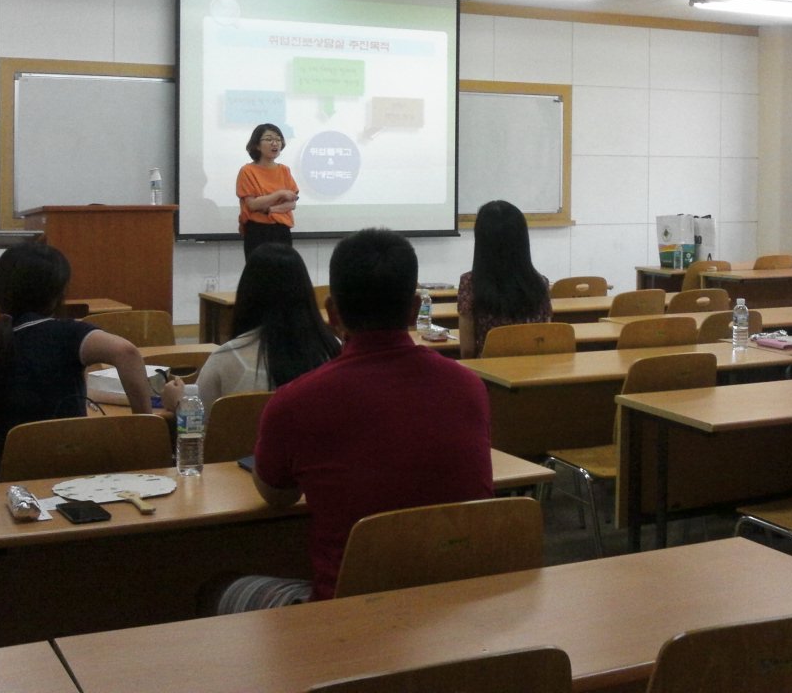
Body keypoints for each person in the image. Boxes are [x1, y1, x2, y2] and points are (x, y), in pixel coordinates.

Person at [217, 227, 493, 611]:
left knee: (218, 587)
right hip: (459, 607)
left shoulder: (296, 401)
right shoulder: (469, 387)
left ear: (332, 313)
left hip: (348, 613)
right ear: (414, 308)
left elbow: (277, 496)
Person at [0, 242, 152, 478]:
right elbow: (127, 353)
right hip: (74, 477)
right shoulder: (71, 335)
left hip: (8, 482)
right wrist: (145, 423)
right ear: (58, 295)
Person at [160, 243, 340, 411]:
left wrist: (178, 403)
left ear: (248, 294)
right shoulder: (333, 351)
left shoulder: (225, 359)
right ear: (305, 293)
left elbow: (200, 424)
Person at [457, 199, 552, 358]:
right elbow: (545, 336)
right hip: (534, 370)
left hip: (488, 372)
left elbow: (467, 350)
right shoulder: (540, 283)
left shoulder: (470, 284)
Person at [237, 122, 298, 258]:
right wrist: (280, 194)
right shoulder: (247, 171)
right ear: (257, 145)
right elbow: (253, 204)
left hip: (282, 231)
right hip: (257, 231)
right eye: (269, 139)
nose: (275, 143)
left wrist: (270, 209)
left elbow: (292, 203)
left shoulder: (284, 170)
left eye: (278, 139)